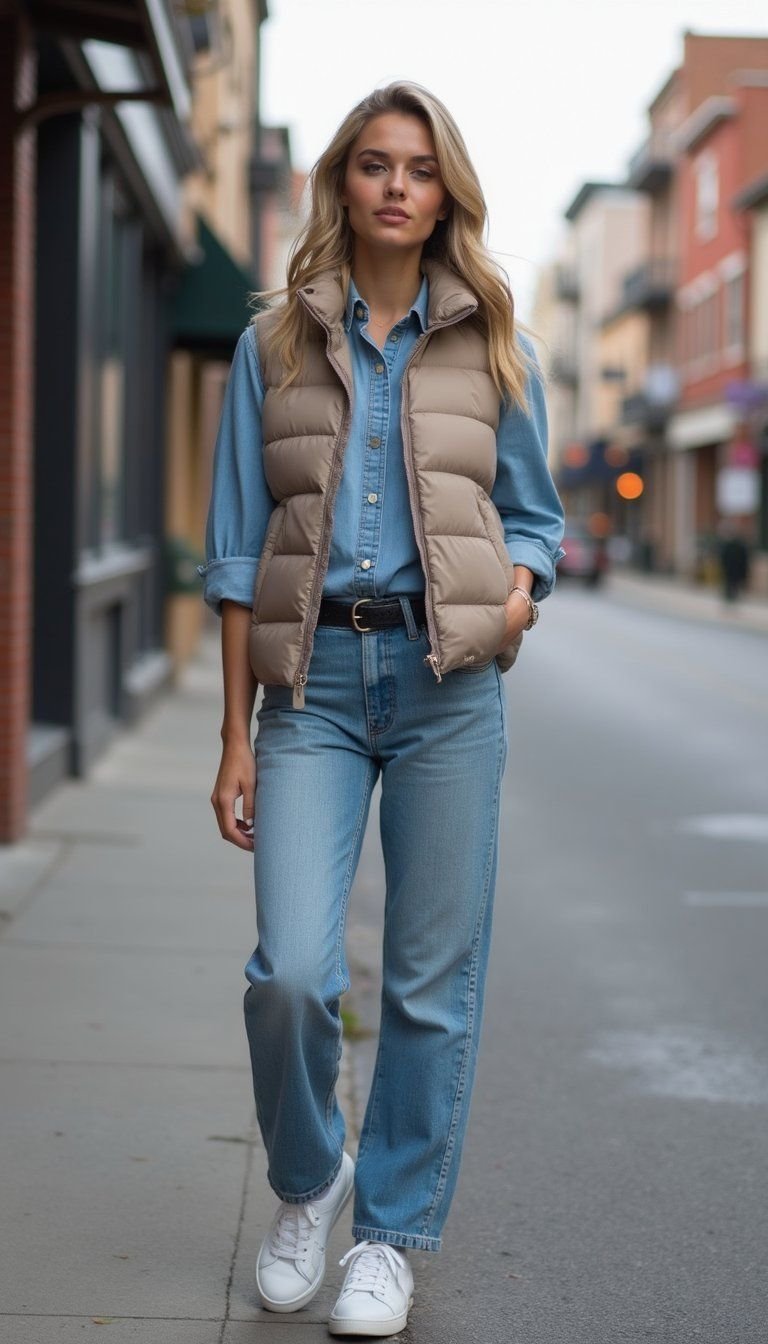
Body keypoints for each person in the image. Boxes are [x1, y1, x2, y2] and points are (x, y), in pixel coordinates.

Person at [198, 80, 565, 1338]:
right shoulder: (273, 344)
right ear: (342, 185)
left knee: (428, 983)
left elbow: (536, 515)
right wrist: (236, 736)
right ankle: (311, 1183)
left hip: (450, 688)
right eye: (373, 164)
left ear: (444, 189)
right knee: (293, 975)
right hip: (310, 691)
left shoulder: (494, 339)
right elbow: (238, 551)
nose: (396, 185)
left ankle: (391, 1238)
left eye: (418, 167)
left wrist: (514, 603)